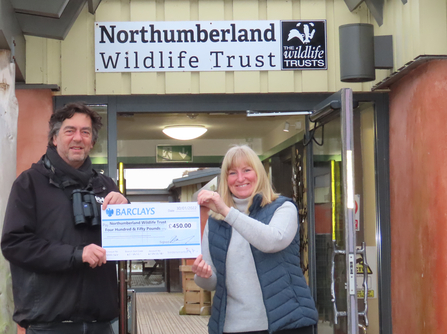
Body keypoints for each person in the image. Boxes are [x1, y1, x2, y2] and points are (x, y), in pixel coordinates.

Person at [1, 102, 128, 334]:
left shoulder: (106, 186)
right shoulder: (29, 183)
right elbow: (15, 244)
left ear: (92, 142)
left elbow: (128, 245)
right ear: (54, 138)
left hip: (100, 324)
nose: (78, 138)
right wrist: (76, 255)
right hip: (49, 324)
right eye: (70, 131)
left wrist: (126, 212)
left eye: (85, 132)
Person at [192, 145, 318, 334]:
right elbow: (212, 282)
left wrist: (226, 211)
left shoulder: (282, 208)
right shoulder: (214, 221)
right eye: (232, 173)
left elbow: (271, 241)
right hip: (232, 327)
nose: (240, 178)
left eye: (247, 170)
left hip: (286, 325)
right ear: (226, 180)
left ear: (258, 173)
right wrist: (203, 275)